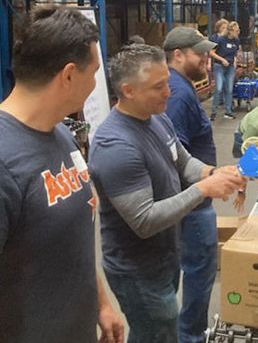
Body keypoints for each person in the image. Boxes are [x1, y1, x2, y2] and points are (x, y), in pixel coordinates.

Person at [88, 44, 245, 343]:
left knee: (153, 332)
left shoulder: (156, 118)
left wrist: (212, 173)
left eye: (167, 83)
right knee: (159, 333)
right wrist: (202, 190)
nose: (168, 93)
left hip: (164, 257)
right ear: (128, 90)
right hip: (137, 272)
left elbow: (183, 161)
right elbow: (144, 219)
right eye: (158, 86)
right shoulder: (115, 145)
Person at [0, 5, 124, 343]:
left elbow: (74, 236)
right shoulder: (4, 162)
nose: (99, 81)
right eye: (95, 71)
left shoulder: (61, 134)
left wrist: (100, 303)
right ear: (69, 75)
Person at [163, 27, 224, 343]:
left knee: (197, 273)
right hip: (192, 205)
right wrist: (205, 184)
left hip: (195, 200)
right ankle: (189, 337)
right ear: (178, 55)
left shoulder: (182, 88)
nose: (206, 58)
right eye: (199, 52)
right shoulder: (178, 95)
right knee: (198, 274)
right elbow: (174, 156)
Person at [209, 21, 240, 120]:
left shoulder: (236, 41)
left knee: (229, 89)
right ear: (230, 31)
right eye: (236, 31)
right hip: (219, 66)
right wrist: (222, 60)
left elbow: (235, 52)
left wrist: (235, 61)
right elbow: (211, 52)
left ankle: (228, 111)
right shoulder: (220, 40)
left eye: (238, 30)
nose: (237, 32)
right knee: (219, 88)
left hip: (230, 67)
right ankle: (214, 111)